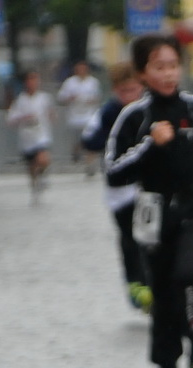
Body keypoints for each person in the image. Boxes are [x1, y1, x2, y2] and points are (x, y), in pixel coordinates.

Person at [106, 35, 193, 368]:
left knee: (188, 275)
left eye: (173, 64)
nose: (169, 73)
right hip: (154, 217)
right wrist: (149, 146)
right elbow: (113, 172)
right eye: (159, 66)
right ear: (143, 72)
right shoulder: (133, 117)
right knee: (164, 297)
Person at [81, 62, 150, 313]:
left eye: (133, 90)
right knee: (129, 236)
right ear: (114, 90)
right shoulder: (108, 112)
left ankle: (151, 282)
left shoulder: (149, 109)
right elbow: (89, 139)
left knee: (151, 236)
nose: (129, 96)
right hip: (120, 189)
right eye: (123, 91)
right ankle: (134, 282)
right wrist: (108, 134)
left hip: (147, 186)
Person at [8, 70, 54, 204]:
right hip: (27, 138)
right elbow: (11, 119)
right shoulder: (20, 100)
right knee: (32, 165)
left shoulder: (44, 97)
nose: (33, 83)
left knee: (43, 158)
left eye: (35, 80)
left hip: (42, 135)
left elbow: (50, 112)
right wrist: (24, 118)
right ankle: (35, 186)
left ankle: (44, 176)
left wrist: (50, 117)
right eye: (30, 80)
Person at [58, 61, 103, 178]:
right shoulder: (69, 83)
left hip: (89, 115)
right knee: (78, 140)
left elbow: (97, 97)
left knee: (89, 138)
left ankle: (90, 164)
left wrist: (91, 100)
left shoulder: (93, 82)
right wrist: (70, 98)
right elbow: (61, 97)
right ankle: (76, 153)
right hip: (74, 116)